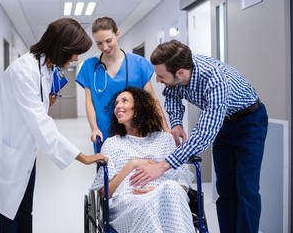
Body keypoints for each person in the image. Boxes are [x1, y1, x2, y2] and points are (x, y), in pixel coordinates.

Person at [0, 18, 107, 233]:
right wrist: (83, 157)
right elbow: (42, 124)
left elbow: (34, 108)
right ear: (62, 47)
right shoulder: (24, 70)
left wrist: (45, 101)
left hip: (24, 154)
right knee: (8, 214)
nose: (76, 57)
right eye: (75, 52)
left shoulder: (46, 68)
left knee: (24, 212)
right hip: (8, 153)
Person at [129, 40, 269, 233]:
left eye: (161, 76)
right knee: (225, 188)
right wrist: (176, 123)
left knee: (247, 189)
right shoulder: (178, 72)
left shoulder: (215, 80)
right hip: (224, 125)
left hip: (249, 122)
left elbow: (203, 135)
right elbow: (171, 94)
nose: (158, 81)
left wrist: (162, 166)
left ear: (180, 73)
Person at [91, 87, 195, 233]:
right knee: (148, 202)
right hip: (128, 200)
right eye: (116, 104)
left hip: (167, 196)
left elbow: (182, 177)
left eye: (124, 101)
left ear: (139, 108)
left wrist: (159, 191)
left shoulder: (165, 140)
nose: (118, 106)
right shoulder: (112, 144)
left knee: (171, 188)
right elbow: (104, 192)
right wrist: (131, 165)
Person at [75, 16, 169, 146]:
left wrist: (165, 128)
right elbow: (89, 101)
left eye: (108, 40)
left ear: (117, 34)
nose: (105, 47)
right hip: (104, 133)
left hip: (136, 132)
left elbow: (152, 99)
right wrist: (94, 128)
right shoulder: (89, 66)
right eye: (99, 43)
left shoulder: (138, 63)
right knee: (108, 165)